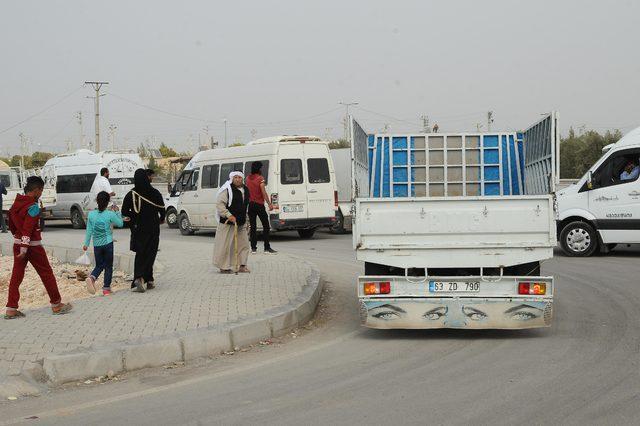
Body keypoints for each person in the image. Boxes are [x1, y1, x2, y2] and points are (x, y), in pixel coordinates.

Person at [4, 176, 72, 319]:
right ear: (35, 190)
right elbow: (28, 228)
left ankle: (11, 309)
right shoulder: (33, 207)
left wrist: (19, 240)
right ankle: (57, 305)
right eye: (41, 190)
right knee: (46, 274)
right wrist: (24, 247)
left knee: (16, 277)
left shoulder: (15, 204)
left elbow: (11, 225)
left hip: (17, 244)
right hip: (32, 247)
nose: (41, 193)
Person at [122, 169, 165, 292]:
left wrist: (132, 223)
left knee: (141, 253)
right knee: (151, 253)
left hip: (138, 229)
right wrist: (161, 219)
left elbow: (124, 213)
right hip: (153, 228)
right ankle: (146, 279)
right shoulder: (155, 193)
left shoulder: (131, 194)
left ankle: (142, 278)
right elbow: (162, 210)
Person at [82, 191, 125, 296]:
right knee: (108, 266)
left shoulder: (91, 215)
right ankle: (106, 289)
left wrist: (86, 244)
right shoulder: (110, 214)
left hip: (97, 245)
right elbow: (120, 223)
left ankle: (92, 278)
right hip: (108, 244)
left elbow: (89, 231)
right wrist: (117, 212)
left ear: (97, 201)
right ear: (108, 202)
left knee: (99, 266)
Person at [213, 171, 251, 273]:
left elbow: (246, 206)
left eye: (240, 177)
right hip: (228, 222)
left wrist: (247, 220)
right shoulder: (227, 190)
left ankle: (242, 265)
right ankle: (224, 267)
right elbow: (220, 204)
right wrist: (229, 215)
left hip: (241, 222)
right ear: (232, 178)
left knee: (244, 244)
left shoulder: (246, 190)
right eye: (236, 177)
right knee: (225, 245)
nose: (238, 179)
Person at [245, 161, 276, 254]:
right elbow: (263, 192)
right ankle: (267, 248)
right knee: (266, 226)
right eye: (261, 168)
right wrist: (269, 204)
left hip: (250, 205)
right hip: (259, 205)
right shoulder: (260, 178)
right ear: (258, 168)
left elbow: (246, 192)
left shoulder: (247, 179)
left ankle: (253, 248)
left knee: (253, 227)